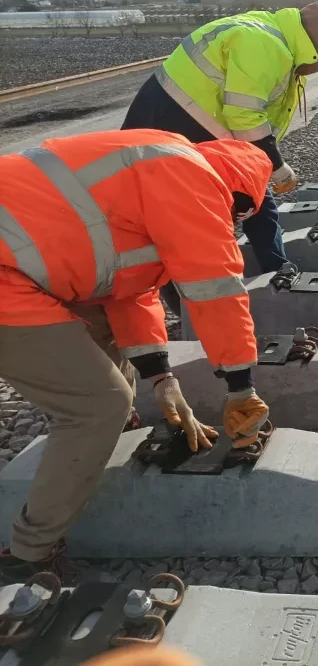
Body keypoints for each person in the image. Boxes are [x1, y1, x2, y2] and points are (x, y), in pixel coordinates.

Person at [0, 129, 273, 583]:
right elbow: (216, 287)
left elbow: (127, 288)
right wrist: (240, 386)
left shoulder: (158, 169)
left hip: (18, 263)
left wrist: (162, 379)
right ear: (239, 198)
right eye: (235, 217)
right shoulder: (195, 179)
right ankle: (28, 554)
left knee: (104, 338)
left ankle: (106, 439)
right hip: (7, 275)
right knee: (96, 405)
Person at [121, 2, 318, 276]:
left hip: (182, 123)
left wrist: (262, 163)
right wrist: (276, 166)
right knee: (200, 215)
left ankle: (274, 270)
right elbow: (244, 115)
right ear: (314, 50)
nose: (314, 70)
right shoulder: (266, 46)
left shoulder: (270, 34)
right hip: (176, 128)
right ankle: (215, 280)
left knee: (252, 203)